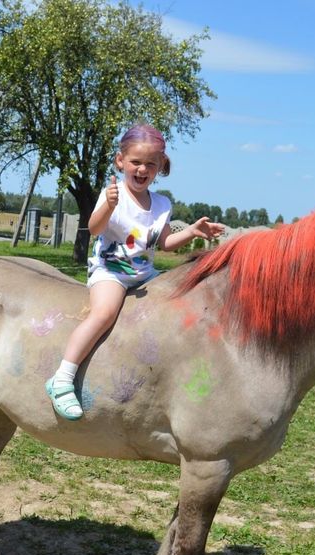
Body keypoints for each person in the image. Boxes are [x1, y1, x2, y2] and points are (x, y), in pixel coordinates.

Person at [46, 124, 225, 420]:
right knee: (103, 314)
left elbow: (165, 242)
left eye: (150, 164)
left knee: (180, 307)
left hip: (145, 275)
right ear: (121, 161)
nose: (142, 169)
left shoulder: (162, 204)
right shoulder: (113, 193)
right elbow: (94, 229)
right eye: (136, 163)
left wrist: (192, 231)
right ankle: (63, 378)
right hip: (111, 271)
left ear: (160, 168)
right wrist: (108, 206)